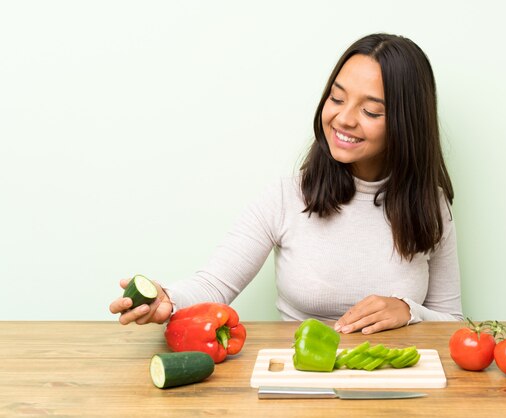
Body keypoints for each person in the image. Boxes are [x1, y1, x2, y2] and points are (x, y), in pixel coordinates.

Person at [109, 33, 463, 334]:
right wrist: (167, 300)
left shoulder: (431, 206)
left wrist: (408, 310)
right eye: (336, 98)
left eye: (370, 111)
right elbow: (214, 285)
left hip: (397, 386)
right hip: (302, 379)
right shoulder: (285, 197)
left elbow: (452, 322)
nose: (343, 118)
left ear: (406, 123)